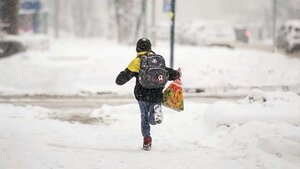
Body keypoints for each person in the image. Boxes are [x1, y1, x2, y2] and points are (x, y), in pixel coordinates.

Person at [115, 37, 181, 150]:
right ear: (150, 48)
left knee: (144, 118)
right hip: (157, 95)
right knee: (153, 117)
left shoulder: (137, 61)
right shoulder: (157, 60)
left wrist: (119, 79)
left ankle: (147, 140)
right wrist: (177, 74)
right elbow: (167, 72)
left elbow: (121, 79)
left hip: (142, 95)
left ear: (137, 48)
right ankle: (155, 114)